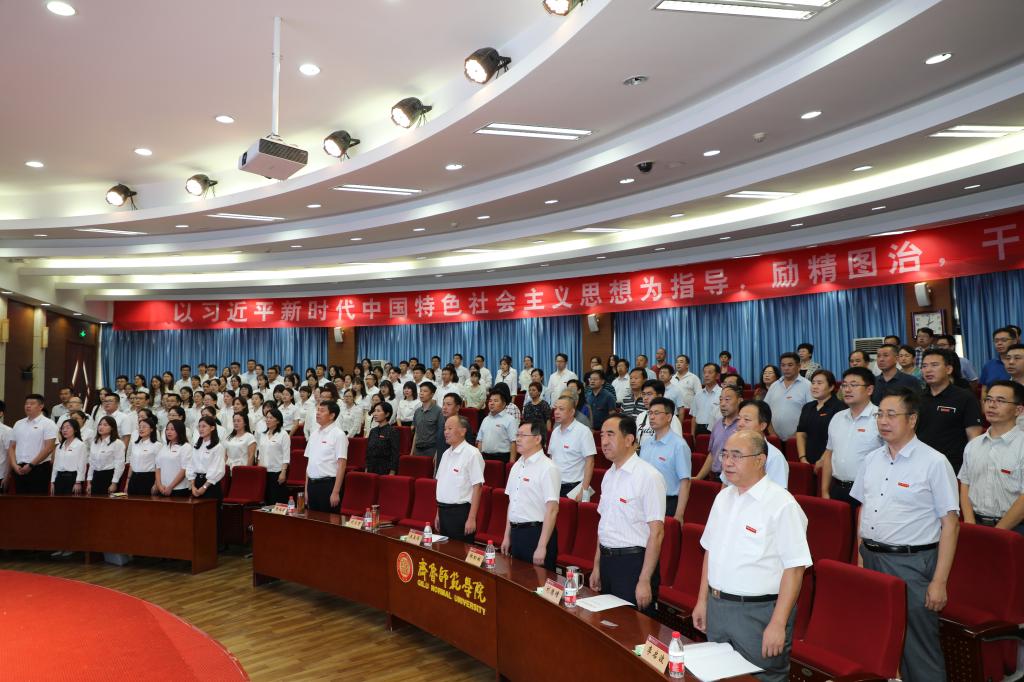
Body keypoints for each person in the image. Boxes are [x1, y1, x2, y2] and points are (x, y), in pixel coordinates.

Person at [851, 387, 960, 682]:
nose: (883, 421)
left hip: (911, 564)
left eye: (891, 415)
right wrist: (860, 558)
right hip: (871, 557)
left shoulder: (934, 462)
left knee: (917, 647)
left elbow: (951, 524)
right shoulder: (871, 459)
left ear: (912, 419)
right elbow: (864, 509)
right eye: (880, 414)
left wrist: (939, 582)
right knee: (876, 640)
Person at [692, 430, 812, 682]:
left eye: (736, 456)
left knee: (760, 678)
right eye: (725, 454)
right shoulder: (723, 497)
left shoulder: (782, 504)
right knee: (717, 676)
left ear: (760, 460)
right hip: (717, 607)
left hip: (758, 614)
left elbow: (794, 569)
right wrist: (702, 600)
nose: (727, 462)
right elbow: (710, 552)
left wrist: (778, 623)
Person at [589, 415, 665, 616]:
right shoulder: (608, 475)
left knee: (633, 628)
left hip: (633, 564)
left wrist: (644, 579)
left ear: (629, 439)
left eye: (610, 435)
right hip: (607, 561)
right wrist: (597, 566)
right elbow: (604, 525)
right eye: (602, 435)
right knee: (607, 624)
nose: (604, 441)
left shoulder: (649, 476)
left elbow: (657, 533)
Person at [959, 380, 1024, 535]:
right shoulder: (974, 444)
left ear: (1018, 410)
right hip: (976, 524)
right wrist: (970, 522)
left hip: (1015, 529)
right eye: (988, 399)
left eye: (1000, 401)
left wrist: (997, 533)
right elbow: (965, 484)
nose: (992, 405)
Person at [501, 420, 560, 570]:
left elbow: (552, 510)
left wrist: (542, 546)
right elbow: (511, 503)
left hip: (536, 534)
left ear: (537, 439)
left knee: (538, 581)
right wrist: (507, 536)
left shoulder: (548, 467)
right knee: (517, 579)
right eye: (517, 435)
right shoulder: (516, 465)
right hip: (516, 533)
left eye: (522, 435)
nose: (517, 439)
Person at [819, 368, 882, 504]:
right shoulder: (837, 417)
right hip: (837, 489)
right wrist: (824, 491)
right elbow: (829, 454)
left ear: (869, 390)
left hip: (868, 491)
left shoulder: (880, 418)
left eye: (853, 385)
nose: (847, 390)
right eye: (844, 385)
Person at [916, 348, 983, 474]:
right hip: (921, 464)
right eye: (924, 366)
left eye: (934, 365)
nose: (928, 370)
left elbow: (974, 438)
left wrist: (968, 469)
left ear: (948, 369)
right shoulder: (917, 398)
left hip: (953, 466)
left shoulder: (965, 397)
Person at [434, 415, 485, 543]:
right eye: (445, 429)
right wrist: (438, 514)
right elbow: (442, 485)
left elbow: (478, 487)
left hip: (461, 513)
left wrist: (471, 518)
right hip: (443, 511)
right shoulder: (445, 454)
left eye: (450, 428)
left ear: (463, 431)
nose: (446, 432)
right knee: (444, 551)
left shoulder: (472, 454)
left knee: (459, 552)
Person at [639, 397, 691, 521]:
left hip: (668, 502)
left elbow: (685, 482)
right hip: (644, 501)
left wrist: (679, 514)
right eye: (650, 413)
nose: (652, 417)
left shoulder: (679, 446)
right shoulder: (646, 443)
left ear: (668, 417)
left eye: (657, 413)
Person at [7, 395, 58, 495]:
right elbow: (12, 447)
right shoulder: (18, 423)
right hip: (19, 468)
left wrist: (31, 465)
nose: (28, 406)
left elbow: (49, 448)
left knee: (37, 500)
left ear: (41, 406)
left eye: (32, 404)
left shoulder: (48, 423)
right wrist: (14, 465)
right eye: (26, 404)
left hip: (39, 468)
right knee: (20, 500)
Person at [548, 396, 597, 500]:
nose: (556, 412)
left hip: (573, 488)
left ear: (572, 412)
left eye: (561, 409)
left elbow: (590, 462)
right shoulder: (555, 432)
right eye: (555, 409)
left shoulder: (583, 431)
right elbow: (551, 458)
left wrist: (584, 489)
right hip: (554, 485)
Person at [304, 401, 348, 513]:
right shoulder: (314, 434)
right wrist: (306, 490)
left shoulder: (339, 435)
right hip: (312, 485)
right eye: (318, 410)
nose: (318, 413)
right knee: (312, 519)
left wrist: (336, 492)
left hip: (328, 485)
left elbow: (342, 465)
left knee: (328, 521)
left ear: (332, 415)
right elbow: (309, 463)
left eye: (322, 411)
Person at [733, 400, 789, 488]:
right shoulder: (732, 449)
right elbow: (726, 485)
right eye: (739, 419)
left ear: (762, 426)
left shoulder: (774, 457)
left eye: (747, 420)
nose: (740, 424)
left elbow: (777, 493)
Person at [795, 369, 843, 467]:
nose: (815, 386)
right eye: (813, 383)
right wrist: (802, 458)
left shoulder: (840, 408)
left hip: (830, 462)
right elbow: (801, 433)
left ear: (831, 387)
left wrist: (823, 459)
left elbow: (838, 439)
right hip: (808, 461)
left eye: (819, 383)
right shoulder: (807, 407)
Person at [695, 386, 742, 484]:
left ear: (739, 401)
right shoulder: (717, 424)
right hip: (715, 478)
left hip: (734, 480)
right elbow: (712, 454)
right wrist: (699, 478)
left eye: (727, 400)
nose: (723, 404)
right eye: (721, 400)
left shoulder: (743, 426)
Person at [765, 353, 812, 442]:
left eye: (790, 365)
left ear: (799, 366)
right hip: (774, 438)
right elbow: (765, 410)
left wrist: (797, 434)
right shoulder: (774, 385)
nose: (786, 368)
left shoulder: (807, 385)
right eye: (783, 365)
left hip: (798, 439)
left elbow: (811, 414)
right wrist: (771, 433)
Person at [635, 379, 683, 448]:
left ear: (659, 396)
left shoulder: (671, 418)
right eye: (643, 394)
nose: (645, 398)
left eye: (649, 394)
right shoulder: (640, 416)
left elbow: (677, 444)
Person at [189, 416, 227, 504]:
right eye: (199, 426)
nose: (201, 429)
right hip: (197, 483)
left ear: (212, 428)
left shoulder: (217, 447)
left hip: (210, 484)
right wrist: (193, 486)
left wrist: (205, 487)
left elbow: (218, 469)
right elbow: (191, 465)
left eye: (204, 426)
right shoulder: (197, 446)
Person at [258, 407, 291, 504]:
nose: (268, 420)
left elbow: (286, 456)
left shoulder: (283, 434)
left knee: (276, 500)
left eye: (271, 418)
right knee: (265, 500)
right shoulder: (263, 435)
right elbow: (260, 455)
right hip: (264, 472)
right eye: (267, 417)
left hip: (277, 472)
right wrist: (259, 470)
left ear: (278, 420)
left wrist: (283, 472)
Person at [86, 415, 125, 496]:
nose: (101, 427)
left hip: (109, 476)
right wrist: (89, 482)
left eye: (105, 425)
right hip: (96, 476)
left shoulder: (117, 443)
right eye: (100, 424)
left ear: (112, 428)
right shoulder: (95, 442)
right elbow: (92, 463)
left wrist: (114, 483)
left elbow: (119, 464)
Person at [477, 390, 518, 464]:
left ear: (503, 404)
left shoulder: (510, 419)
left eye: (495, 401)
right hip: (484, 457)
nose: (491, 403)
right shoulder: (485, 419)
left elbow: (513, 442)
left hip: (502, 458)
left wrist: (511, 464)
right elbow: (480, 440)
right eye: (490, 401)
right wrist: (479, 460)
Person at [51, 418, 87, 497]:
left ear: (75, 430)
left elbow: (82, 465)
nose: (64, 430)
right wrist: (52, 481)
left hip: (73, 478)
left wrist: (78, 482)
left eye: (68, 427)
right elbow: (55, 465)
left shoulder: (80, 445)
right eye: (63, 428)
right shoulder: (59, 446)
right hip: (59, 478)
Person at [126, 416, 161, 495]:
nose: (141, 429)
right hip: (134, 478)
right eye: (140, 427)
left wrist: (156, 484)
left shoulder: (157, 445)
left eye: (144, 427)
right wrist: (127, 483)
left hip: (148, 478)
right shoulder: (135, 444)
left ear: (151, 429)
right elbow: (132, 465)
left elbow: (159, 466)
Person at [155, 420, 191, 497]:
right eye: (167, 429)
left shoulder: (186, 447)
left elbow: (184, 469)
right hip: (163, 488)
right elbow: (158, 467)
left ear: (180, 431)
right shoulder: (164, 447)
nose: (169, 432)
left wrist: (171, 487)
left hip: (179, 489)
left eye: (172, 429)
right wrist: (159, 485)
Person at [365, 402, 400, 476]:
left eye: (378, 411)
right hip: (371, 468)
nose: (375, 413)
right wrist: (366, 468)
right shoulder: (373, 431)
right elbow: (369, 452)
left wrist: (392, 472)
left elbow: (395, 454)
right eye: (374, 411)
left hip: (384, 469)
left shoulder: (392, 431)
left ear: (387, 414)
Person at [410, 382, 442, 459]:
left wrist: (437, 452)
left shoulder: (439, 411)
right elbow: (416, 432)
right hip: (417, 449)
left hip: (431, 450)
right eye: (420, 391)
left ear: (432, 394)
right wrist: (412, 451)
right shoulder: (417, 411)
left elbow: (441, 434)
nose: (421, 393)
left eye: (425, 391)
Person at [980, 327, 1014, 393]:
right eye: (996, 341)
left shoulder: (1021, 363)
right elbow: (985, 389)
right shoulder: (988, 365)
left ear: (1014, 341)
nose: (999, 343)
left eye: (1004, 340)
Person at [692, 363, 722, 436]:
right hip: (699, 430)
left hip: (716, 429)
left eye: (710, 372)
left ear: (717, 376)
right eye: (704, 373)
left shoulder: (722, 393)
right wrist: (692, 434)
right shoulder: (698, 394)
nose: (706, 375)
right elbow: (694, 416)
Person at [670, 354, 702, 419]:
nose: (678, 364)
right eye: (677, 362)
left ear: (687, 365)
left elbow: (699, 395)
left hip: (689, 412)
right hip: (674, 412)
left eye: (681, 362)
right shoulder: (671, 379)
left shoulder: (694, 378)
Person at [0, 401, 11, 492]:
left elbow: (10, 455)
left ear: (1, 413)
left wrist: (7, 475)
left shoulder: (7, 431)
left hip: (1, 475)